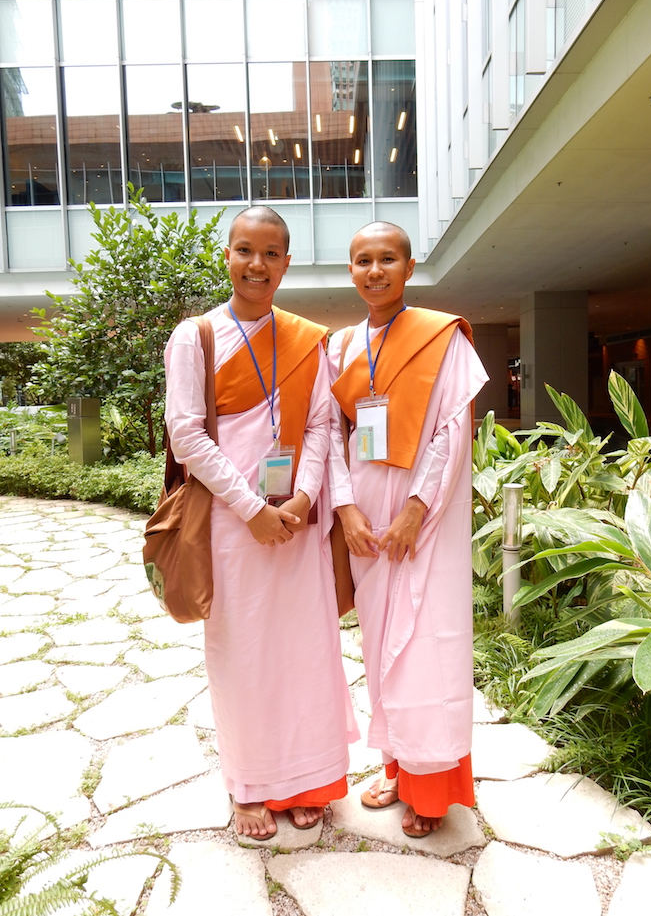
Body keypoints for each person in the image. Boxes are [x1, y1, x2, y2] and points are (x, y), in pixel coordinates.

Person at [164, 206, 356, 840]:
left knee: (303, 652)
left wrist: (301, 500)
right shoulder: (196, 337)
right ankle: (247, 786)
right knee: (241, 654)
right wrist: (251, 509)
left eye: (271, 253)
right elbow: (186, 435)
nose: (257, 264)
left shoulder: (308, 339)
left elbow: (326, 423)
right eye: (245, 250)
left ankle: (305, 780)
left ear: (287, 263)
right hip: (231, 525)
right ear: (228, 255)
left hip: (296, 524)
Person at [328, 221, 489, 838]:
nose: (375, 270)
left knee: (427, 645)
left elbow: (452, 432)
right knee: (380, 648)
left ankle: (433, 788)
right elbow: (331, 436)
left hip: (425, 518)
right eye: (363, 259)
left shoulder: (442, 337)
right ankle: (398, 766)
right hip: (367, 522)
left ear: (409, 266)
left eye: (387, 259)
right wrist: (346, 512)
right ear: (351, 270)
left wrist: (415, 513)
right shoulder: (341, 347)